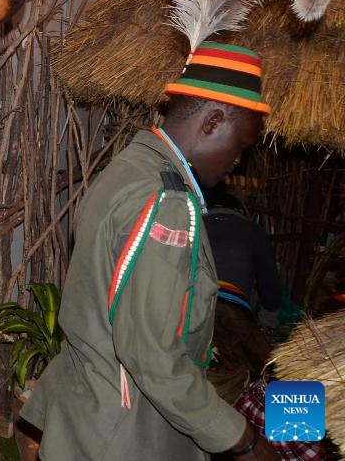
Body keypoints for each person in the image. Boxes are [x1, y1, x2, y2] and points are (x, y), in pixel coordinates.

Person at [20, 42, 277, 460]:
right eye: (242, 145)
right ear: (213, 121)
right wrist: (241, 440)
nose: (238, 161)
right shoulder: (167, 203)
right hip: (124, 435)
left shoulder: (126, 171)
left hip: (90, 418)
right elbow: (154, 356)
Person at [204, 181, 281, 397]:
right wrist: (268, 323)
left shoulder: (196, 224)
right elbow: (270, 285)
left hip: (197, 304)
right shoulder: (253, 232)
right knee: (266, 370)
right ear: (238, 211)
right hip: (234, 310)